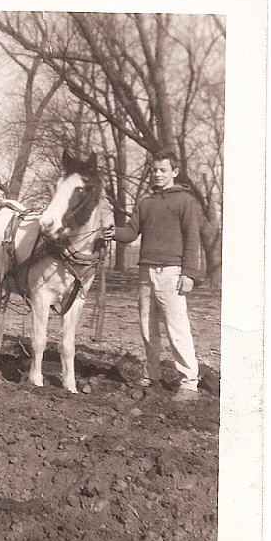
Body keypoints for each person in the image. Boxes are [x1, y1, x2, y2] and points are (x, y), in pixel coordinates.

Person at [103, 150, 203, 402]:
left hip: (172, 273)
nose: (158, 174)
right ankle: (151, 374)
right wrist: (112, 231)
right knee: (148, 328)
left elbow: (193, 239)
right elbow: (131, 232)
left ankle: (189, 383)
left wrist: (189, 274)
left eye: (163, 170)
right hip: (146, 271)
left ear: (174, 173)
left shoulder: (185, 201)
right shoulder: (145, 203)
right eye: (155, 170)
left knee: (177, 328)